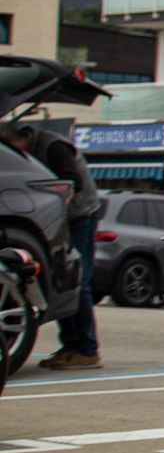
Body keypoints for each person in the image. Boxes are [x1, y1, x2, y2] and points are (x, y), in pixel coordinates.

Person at [0, 117, 103, 371]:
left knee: (77, 280)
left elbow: (74, 183)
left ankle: (87, 349)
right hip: (59, 216)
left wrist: (48, 200)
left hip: (79, 215)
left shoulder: (54, 146)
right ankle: (71, 346)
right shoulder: (31, 146)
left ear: (18, 141)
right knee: (60, 278)